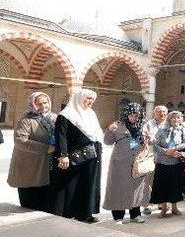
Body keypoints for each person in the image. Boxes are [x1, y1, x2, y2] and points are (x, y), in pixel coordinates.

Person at [49, 89, 103, 223]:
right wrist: (63, 155)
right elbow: (61, 136)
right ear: (79, 98)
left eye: (92, 99)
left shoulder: (91, 114)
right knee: (72, 184)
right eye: (87, 98)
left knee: (88, 183)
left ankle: (85, 214)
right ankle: (68, 213)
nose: (90, 102)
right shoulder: (66, 115)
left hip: (92, 154)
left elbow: (96, 134)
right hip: (74, 155)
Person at [103, 103, 151, 224]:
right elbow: (107, 141)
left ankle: (135, 214)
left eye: (137, 115)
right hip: (120, 164)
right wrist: (109, 130)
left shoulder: (143, 126)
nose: (134, 118)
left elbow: (149, 143)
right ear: (126, 114)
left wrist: (149, 139)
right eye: (131, 115)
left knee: (136, 189)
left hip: (137, 164)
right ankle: (118, 216)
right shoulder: (118, 125)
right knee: (119, 189)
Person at [7, 92, 57, 211]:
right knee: (30, 199)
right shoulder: (26, 119)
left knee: (44, 195)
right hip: (29, 164)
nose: (43, 106)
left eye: (45, 102)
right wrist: (46, 148)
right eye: (38, 103)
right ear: (32, 104)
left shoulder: (53, 118)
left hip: (46, 162)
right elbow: (20, 140)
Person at [150, 111, 185, 217]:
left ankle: (174, 208)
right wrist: (165, 151)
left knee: (175, 185)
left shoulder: (183, 130)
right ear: (169, 119)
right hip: (163, 162)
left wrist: (175, 149)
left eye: (178, 117)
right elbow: (155, 146)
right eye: (173, 118)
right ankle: (163, 208)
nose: (175, 120)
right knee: (163, 185)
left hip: (176, 162)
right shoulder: (161, 130)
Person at [141, 105, 168, 214]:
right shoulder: (148, 125)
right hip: (151, 157)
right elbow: (143, 138)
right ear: (154, 113)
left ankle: (161, 203)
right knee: (147, 182)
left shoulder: (167, 125)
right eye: (160, 112)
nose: (162, 114)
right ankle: (146, 205)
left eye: (164, 113)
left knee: (161, 181)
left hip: (164, 158)